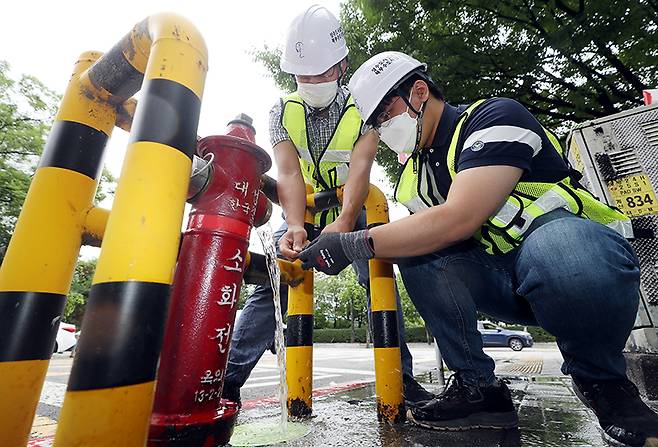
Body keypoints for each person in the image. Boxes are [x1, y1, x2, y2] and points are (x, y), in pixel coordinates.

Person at [299, 51, 658, 446]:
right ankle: (477, 388)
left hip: (576, 266)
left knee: (560, 247)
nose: (382, 130)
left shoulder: (493, 118)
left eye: (385, 116)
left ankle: (605, 385)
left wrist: (351, 244)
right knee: (413, 248)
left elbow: (460, 218)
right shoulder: (413, 179)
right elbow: (432, 241)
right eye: (375, 124)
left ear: (419, 92)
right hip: (503, 283)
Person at [222, 11, 432, 407]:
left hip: (357, 203)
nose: (312, 83)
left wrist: (344, 221)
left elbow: (361, 169)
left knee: (378, 279)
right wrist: (296, 225)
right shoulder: (282, 110)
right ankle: (229, 381)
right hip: (304, 205)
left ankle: (400, 379)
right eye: (303, 76)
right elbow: (287, 173)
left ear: (341, 66)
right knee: (276, 280)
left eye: (320, 73)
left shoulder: (364, 106)